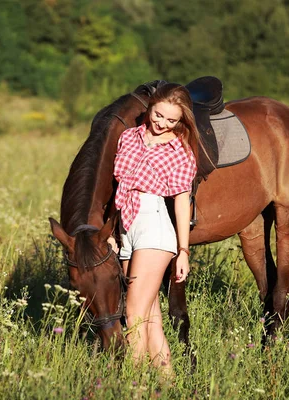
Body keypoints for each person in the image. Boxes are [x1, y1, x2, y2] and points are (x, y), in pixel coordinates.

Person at [108, 83, 200, 376]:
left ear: (181, 121)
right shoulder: (129, 137)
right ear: (150, 107)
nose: (162, 124)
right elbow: (116, 188)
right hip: (126, 225)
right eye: (158, 115)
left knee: (132, 314)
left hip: (153, 224)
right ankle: (167, 381)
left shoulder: (179, 150)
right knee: (148, 316)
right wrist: (112, 231)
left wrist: (183, 251)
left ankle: (131, 384)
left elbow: (182, 201)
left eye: (172, 120)